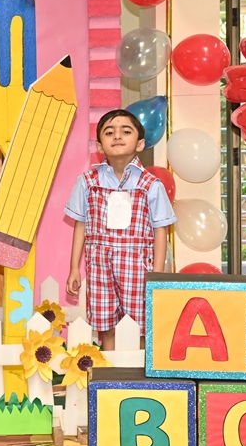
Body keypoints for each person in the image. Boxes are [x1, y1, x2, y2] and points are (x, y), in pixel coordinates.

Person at [65, 109, 175, 350]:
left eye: (126, 131)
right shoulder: (88, 181)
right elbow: (80, 224)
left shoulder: (150, 185)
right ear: (99, 145)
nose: (117, 136)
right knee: (106, 325)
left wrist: (156, 274)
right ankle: (109, 368)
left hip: (138, 266)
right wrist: (74, 268)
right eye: (109, 132)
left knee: (141, 325)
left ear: (140, 143)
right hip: (99, 265)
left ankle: (142, 369)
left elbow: (160, 230)